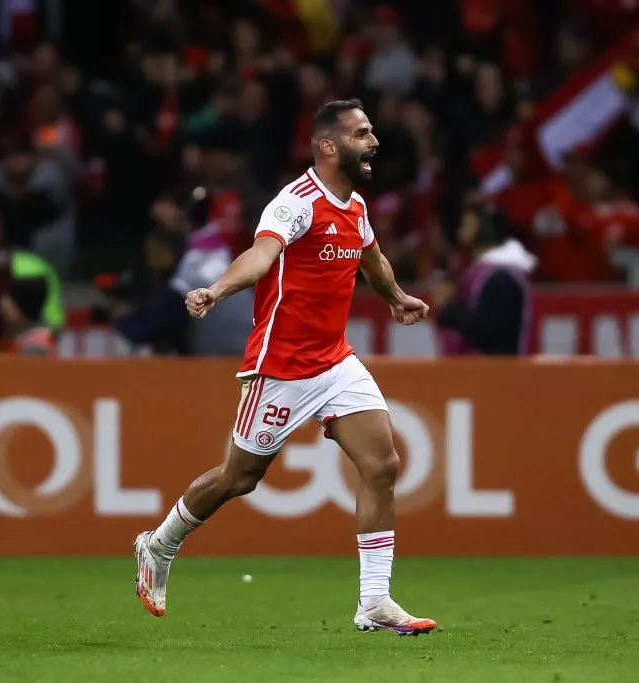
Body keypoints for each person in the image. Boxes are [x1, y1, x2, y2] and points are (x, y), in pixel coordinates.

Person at [133, 99, 437, 636]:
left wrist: (395, 297)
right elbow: (260, 256)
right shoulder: (294, 204)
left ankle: (374, 601)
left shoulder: (355, 206)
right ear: (328, 145)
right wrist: (216, 290)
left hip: (335, 361)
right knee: (239, 478)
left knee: (382, 464)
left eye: (371, 132)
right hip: (280, 367)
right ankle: (159, 544)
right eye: (362, 133)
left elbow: (371, 259)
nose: (374, 142)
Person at [436, 204, 537, 355]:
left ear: (484, 226)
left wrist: (448, 308)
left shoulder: (501, 275)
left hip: (498, 368)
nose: (461, 228)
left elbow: (487, 331)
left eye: (467, 223)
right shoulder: (484, 271)